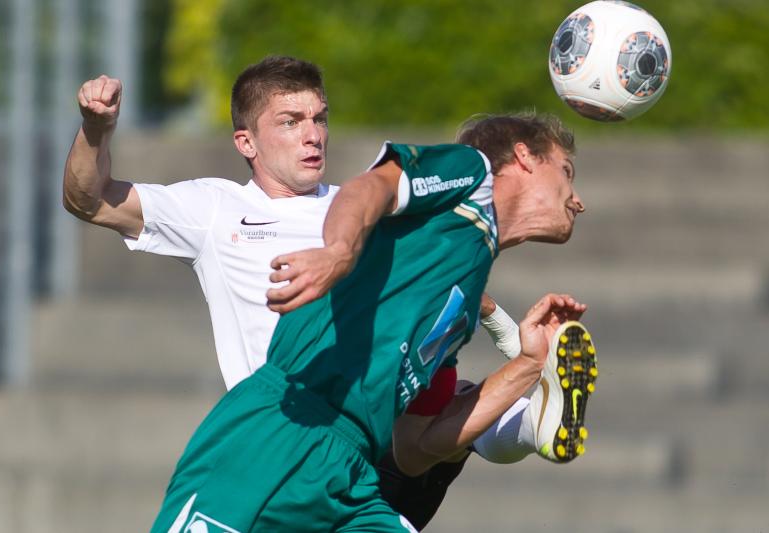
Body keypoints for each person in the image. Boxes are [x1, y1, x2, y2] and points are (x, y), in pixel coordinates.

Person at [64, 57, 596, 531]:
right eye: (290, 122)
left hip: (355, 462)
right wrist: (95, 129)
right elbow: (89, 200)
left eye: (319, 118)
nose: (313, 135)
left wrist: (523, 354)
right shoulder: (217, 209)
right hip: (276, 430)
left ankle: (532, 419)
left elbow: (446, 305)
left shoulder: (370, 213)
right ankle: (530, 421)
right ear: (246, 142)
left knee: (440, 397)